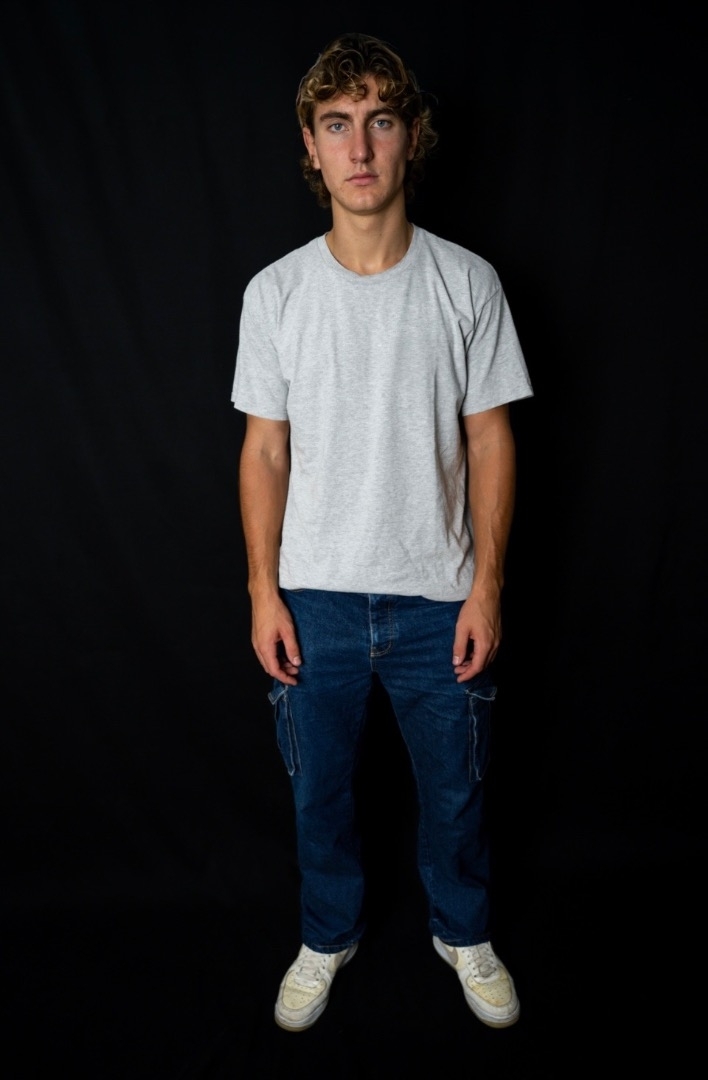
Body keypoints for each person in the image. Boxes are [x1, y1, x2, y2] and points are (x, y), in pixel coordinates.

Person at [231, 31, 533, 1033]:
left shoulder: (468, 283)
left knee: (456, 793)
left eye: (381, 120)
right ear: (311, 149)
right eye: (336, 125)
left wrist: (487, 587)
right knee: (319, 795)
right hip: (314, 598)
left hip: (439, 595)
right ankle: (328, 935)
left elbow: (490, 438)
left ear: (412, 138)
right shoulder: (276, 293)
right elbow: (264, 451)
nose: (359, 147)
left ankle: (463, 930)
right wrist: (263, 592)